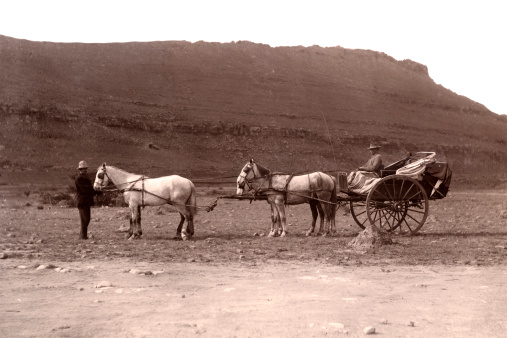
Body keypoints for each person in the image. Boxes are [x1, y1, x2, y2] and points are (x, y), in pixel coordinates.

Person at [75, 160, 99, 239]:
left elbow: (89, 189)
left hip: (86, 202)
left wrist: (97, 191)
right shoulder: (79, 179)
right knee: (85, 219)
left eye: (85, 169)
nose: (85, 170)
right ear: (80, 170)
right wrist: (96, 192)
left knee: (86, 219)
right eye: (83, 169)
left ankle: (83, 235)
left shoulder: (86, 178)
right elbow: (85, 190)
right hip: (82, 201)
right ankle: (83, 236)